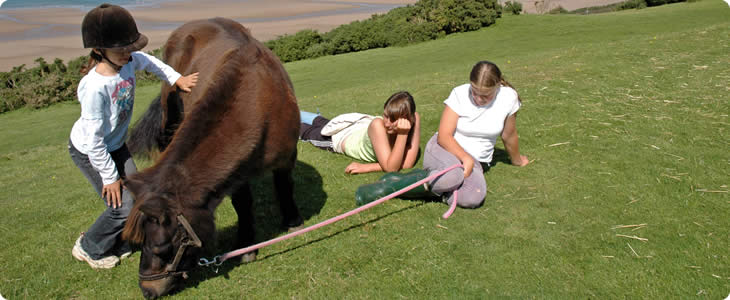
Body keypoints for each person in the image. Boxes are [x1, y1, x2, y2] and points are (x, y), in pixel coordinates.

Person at [68, 3, 198, 269]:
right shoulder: (94, 88)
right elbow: (93, 141)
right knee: (121, 207)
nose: (129, 54)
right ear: (99, 50)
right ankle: (90, 247)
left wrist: (177, 79)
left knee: (137, 196)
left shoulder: (127, 62)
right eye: (122, 50)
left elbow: (149, 61)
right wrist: (110, 177)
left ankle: (120, 239)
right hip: (90, 152)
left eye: (131, 48)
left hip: (116, 146)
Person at [355, 61, 529, 208]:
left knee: (473, 197)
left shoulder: (509, 98)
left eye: (485, 95)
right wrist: (465, 157)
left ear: (498, 86)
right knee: (452, 176)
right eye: (474, 91)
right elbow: (444, 136)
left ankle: (412, 182)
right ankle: (387, 189)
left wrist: (517, 160)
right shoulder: (459, 94)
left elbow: (509, 135)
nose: (478, 99)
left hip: (476, 162)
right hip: (444, 149)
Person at [299, 91, 421, 175]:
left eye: (393, 119)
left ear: (408, 119)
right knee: (302, 130)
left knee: (321, 122)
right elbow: (392, 168)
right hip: (338, 137)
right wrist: (403, 134)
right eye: (386, 116)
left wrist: (367, 167)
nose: (387, 123)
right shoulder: (378, 125)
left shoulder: (414, 118)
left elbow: (406, 164)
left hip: (355, 128)